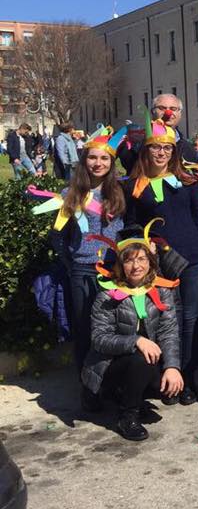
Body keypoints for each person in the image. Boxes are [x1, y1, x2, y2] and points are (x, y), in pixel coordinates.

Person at [124, 116, 198, 406]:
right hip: (159, 263)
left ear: (174, 151)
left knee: (189, 318)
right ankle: (165, 377)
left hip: (192, 258)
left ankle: (185, 377)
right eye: (155, 147)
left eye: (167, 148)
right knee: (164, 319)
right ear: (146, 150)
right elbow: (131, 224)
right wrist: (143, 241)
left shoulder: (188, 182)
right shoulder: (136, 186)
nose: (161, 153)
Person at [36, 126, 128, 409]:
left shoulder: (119, 192)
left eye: (104, 158)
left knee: (114, 329)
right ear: (84, 160)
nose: (98, 163)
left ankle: (112, 384)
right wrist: (72, 261)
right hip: (83, 270)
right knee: (85, 329)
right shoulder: (70, 193)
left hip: (113, 271)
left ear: (111, 163)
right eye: (92, 157)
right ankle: (89, 389)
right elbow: (58, 236)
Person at [82, 226, 183, 441]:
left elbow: (169, 332)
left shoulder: (162, 290)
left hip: (144, 360)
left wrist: (172, 367)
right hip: (109, 365)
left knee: (165, 388)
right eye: (129, 261)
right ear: (120, 265)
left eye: (141, 259)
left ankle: (131, 395)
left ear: (150, 262)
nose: (136, 266)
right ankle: (127, 415)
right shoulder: (108, 295)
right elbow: (99, 339)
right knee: (141, 360)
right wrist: (136, 340)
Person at [118, 94, 198, 172]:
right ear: (152, 112)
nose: (168, 112)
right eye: (162, 108)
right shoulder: (136, 142)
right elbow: (128, 164)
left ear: (180, 114)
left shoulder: (188, 149)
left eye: (173, 109)